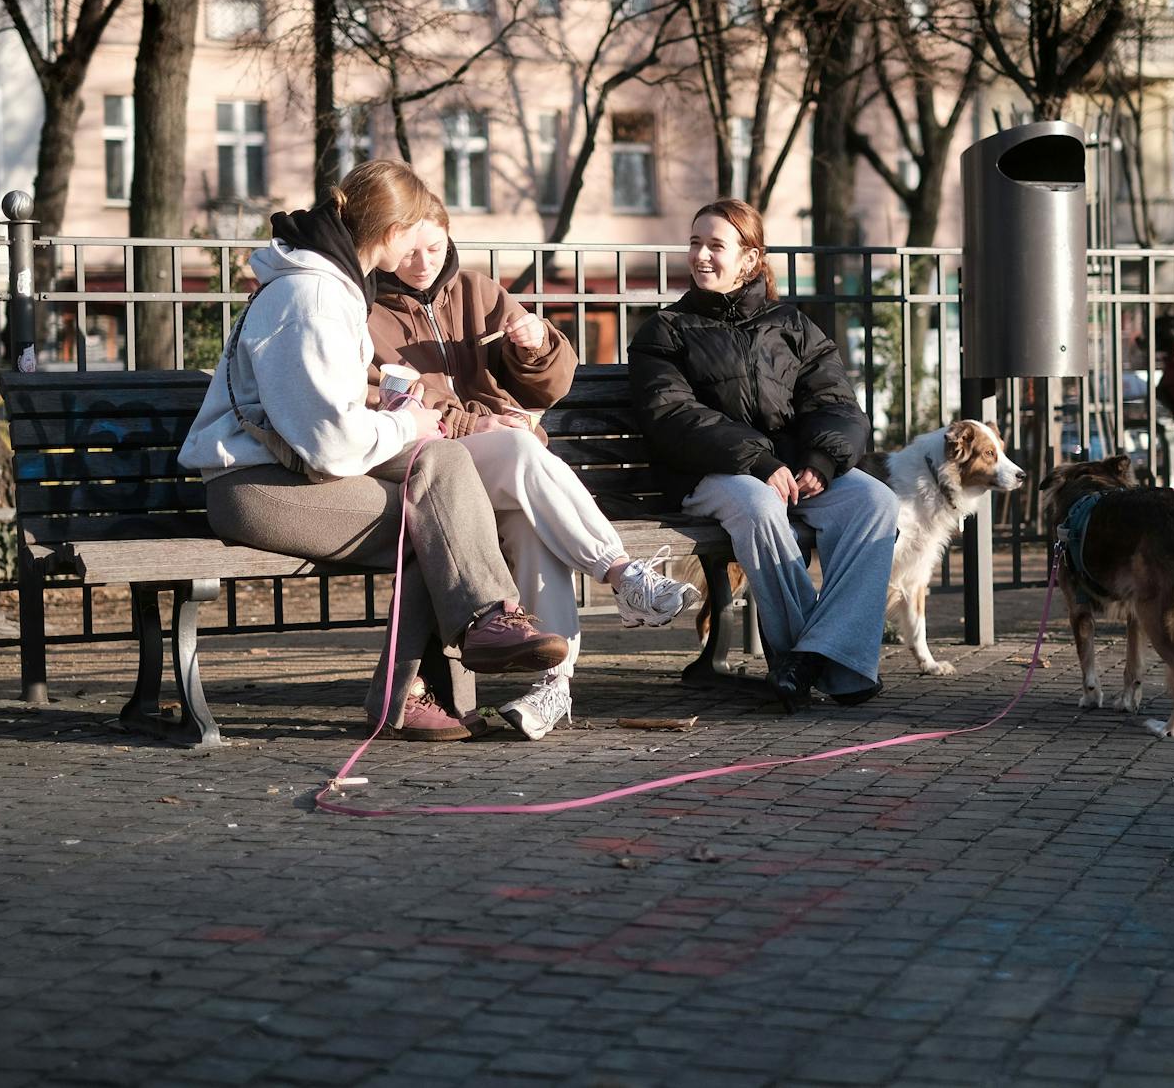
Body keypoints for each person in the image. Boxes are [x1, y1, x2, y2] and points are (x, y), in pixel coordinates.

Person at [178, 160, 572, 742]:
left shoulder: (335, 285)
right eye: (417, 229)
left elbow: (329, 425)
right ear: (392, 232)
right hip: (256, 487)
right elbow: (328, 444)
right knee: (429, 524)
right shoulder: (310, 298)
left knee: (444, 463)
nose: (424, 246)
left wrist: (409, 421)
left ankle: (487, 623)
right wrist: (409, 421)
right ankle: (409, 692)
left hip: (300, 472)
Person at [365, 196, 700, 739]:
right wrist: (479, 424)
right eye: (410, 251)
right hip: (429, 462)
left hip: (495, 469)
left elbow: (549, 385)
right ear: (388, 243)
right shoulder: (364, 308)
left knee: (532, 524)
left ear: (449, 238)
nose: (423, 262)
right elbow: (391, 396)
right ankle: (621, 573)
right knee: (523, 451)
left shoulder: (475, 290)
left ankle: (553, 688)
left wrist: (537, 345)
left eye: (434, 247)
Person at [627, 199, 898, 712]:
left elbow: (835, 403)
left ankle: (811, 659)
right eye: (694, 243)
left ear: (751, 259)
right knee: (758, 505)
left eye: (715, 245)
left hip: (793, 471)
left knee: (874, 503)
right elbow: (672, 416)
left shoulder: (792, 325)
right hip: (708, 475)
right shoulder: (664, 331)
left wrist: (820, 461)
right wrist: (759, 461)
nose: (701, 255)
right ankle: (815, 658)